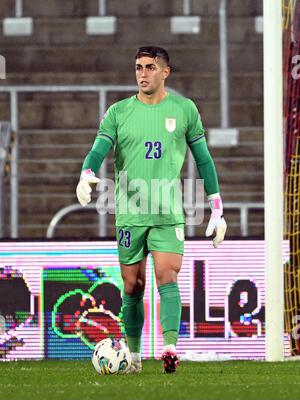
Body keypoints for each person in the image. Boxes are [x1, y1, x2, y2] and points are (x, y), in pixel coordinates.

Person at [76, 46, 227, 374]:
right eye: (138, 68)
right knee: (132, 286)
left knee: (167, 276)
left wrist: (217, 208)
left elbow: (203, 159)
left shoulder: (184, 109)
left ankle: (170, 347)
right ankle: (133, 356)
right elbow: (98, 148)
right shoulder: (118, 112)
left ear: (165, 72)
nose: (142, 74)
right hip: (130, 214)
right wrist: (87, 171)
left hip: (167, 213)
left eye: (149, 67)